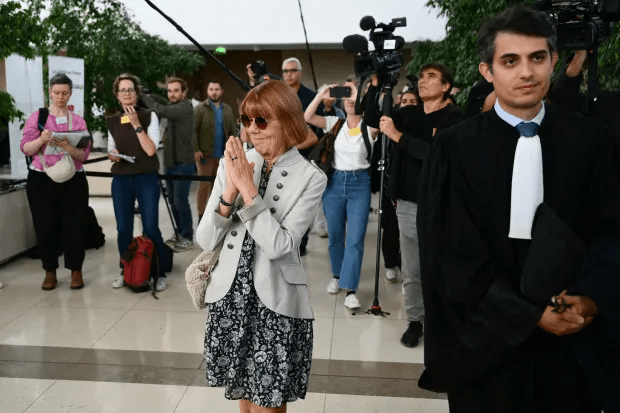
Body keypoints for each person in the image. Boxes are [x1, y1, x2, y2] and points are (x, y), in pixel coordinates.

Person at [416, 6, 620, 412]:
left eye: (537, 58)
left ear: (554, 61)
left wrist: (594, 298)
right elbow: (449, 252)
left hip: (574, 339)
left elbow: (611, 229)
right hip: (487, 341)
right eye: (510, 61)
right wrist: (528, 315)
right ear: (487, 71)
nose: (526, 72)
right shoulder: (454, 149)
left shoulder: (591, 140)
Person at [196, 80, 327, 412]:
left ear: (288, 121)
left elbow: (281, 244)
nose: (252, 129)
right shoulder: (236, 161)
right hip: (232, 294)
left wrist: (248, 191)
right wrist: (229, 193)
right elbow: (206, 239)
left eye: (262, 120)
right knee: (243, 393)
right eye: (245, 120)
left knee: (268, 401)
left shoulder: (311, 177)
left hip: (276, 302)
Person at [367, 64, 466, 348]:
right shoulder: (410, 113)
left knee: (439, 266)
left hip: (442, 205)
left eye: (431, 77)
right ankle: (415, 320)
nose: (423, 82)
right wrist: (376, 85)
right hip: (408, 204)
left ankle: (442, 320)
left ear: (446, 86)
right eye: (421, 77)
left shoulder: (454, 117)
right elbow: (374, 117)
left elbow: (437, 154)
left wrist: (398, 136)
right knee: (412, 270)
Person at [305, 81, 380, 309]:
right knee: (336, 235)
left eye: (354, 97)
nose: (349, 101)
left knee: (355, 239)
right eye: (346, 98)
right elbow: (308, 116)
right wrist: (321, 95)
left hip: (360, 183)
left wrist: (360, 93)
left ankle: (351, 289)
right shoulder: (335, 123)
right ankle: (337, 275)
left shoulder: (370, 126)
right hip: (335, 183)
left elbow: (377, 115)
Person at [20, 73, 91, 290]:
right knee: (45, 224)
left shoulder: (78, 120)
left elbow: (84, 155)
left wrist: (67, 147)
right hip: (42, 179)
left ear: (71, 94)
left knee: (75, 225)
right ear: (49, 92)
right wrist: (41, 139)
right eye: (56, 92)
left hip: (73, 179)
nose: (60, 97)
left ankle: (76, 270)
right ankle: (49, 271)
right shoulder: (38, 117)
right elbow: (25, 148)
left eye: (65, 93)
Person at [107, 73, 169, 292]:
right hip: (121, 178)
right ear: (117, 95)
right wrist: (113, 155)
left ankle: (159, 273)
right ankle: (127, 272)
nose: (126, 93)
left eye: (130, 90)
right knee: (123, 229)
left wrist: (136, 125)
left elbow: (151, 150)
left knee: (151, 227)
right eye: (122, 90)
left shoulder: (148, 115)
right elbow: (111, 148)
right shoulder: (112, 120)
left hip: (146, 177)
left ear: (136, 93)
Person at [141, 77, 196, 252]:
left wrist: (143, 95)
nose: (172, 94)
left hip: (183, 163)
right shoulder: (173, 105)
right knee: (172, 201)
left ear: (184, 93)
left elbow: (160, 109)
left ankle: (187, 236)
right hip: (170, 162)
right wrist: (152, 93)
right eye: (169, 91)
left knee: (181, 201)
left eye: (176, 91)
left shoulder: (184, 108)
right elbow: (164, 103)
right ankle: (179, 233)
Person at [193, 80, 237, 223]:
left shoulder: (227, 109)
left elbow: (232, 132)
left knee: (219, 187)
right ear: (207, 91)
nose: (214, 92)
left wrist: (234, 151)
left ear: (221, 91)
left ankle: (215, 216)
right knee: (204, 186)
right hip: (205, 155)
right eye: (211, 89)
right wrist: (196, 149)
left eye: (216, 89)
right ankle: (201, 216)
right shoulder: (200, 108)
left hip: (223, 156)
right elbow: (192, 131)